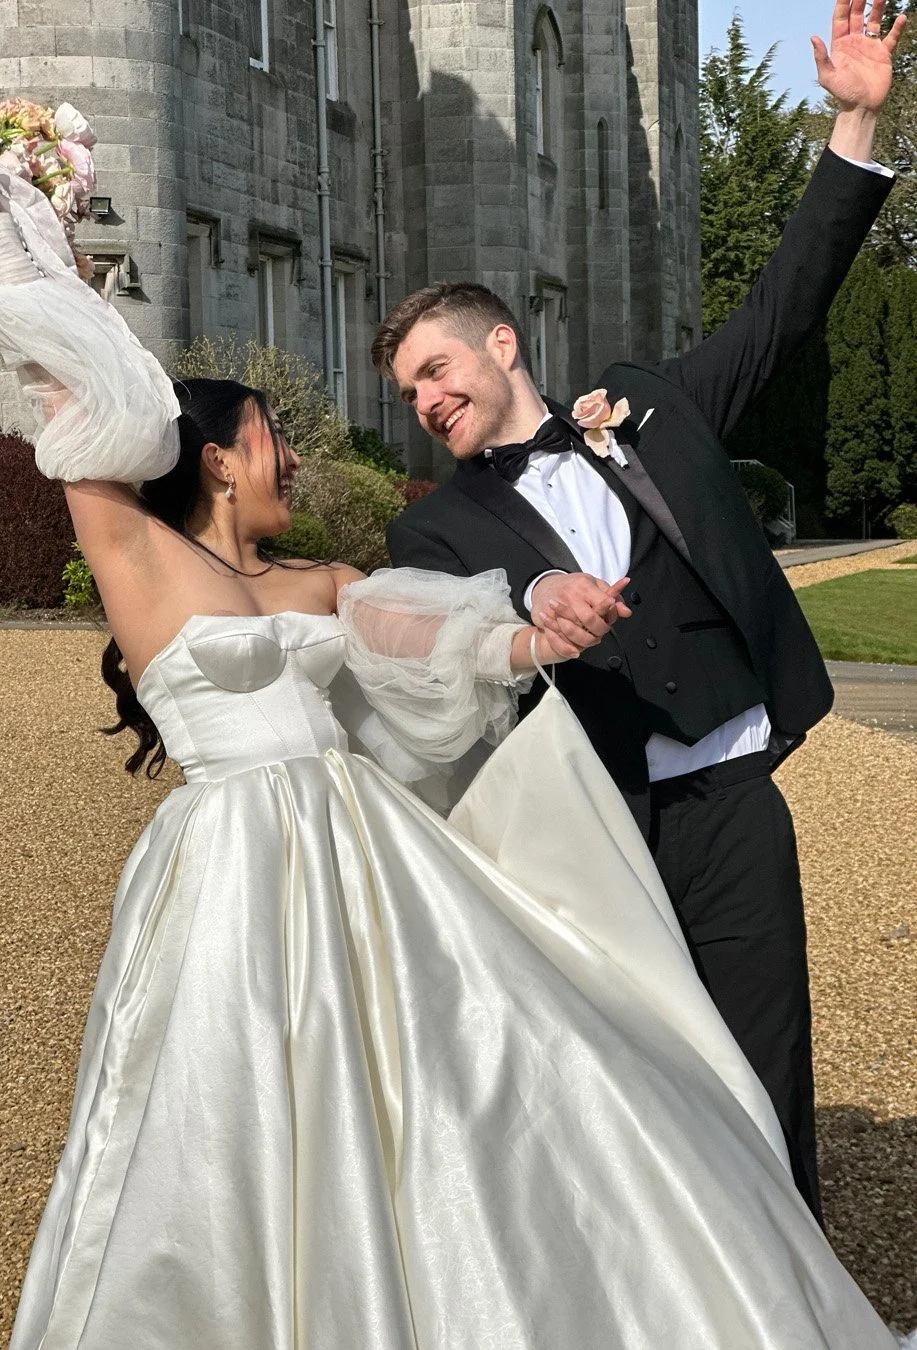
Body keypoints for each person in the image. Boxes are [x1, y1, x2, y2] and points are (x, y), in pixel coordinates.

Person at [0, 155, 905, 1350]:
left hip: (373, 855)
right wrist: (4, 224)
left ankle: (743, 1299)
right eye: (270, 437)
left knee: (467, 1094)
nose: (293, 454)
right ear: (215, 457)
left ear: (500, 346)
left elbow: (421, 633)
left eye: (426, 375)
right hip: (235, 873)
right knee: (230, 1118)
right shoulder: (145, 572)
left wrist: (522, 630)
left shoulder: (332, 575)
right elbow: (80, 399)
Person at [379, 0, 905, 1225]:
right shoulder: (429, 532)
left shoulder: (645, 405)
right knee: (619, 1079)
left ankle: (787, 1296)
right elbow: (430, 657)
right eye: (409, 392)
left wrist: (852, 119)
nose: (426, 400)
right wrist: (523, 614)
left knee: (765, 1063)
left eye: (436, 371)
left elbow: (781, 306)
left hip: (726, 793)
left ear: (501, 346)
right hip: (589, 828)